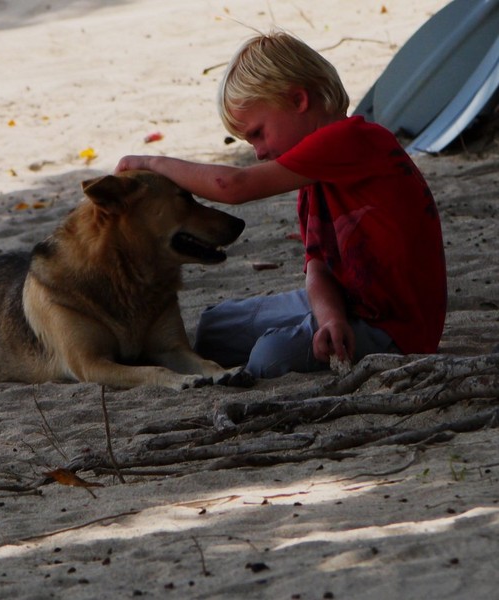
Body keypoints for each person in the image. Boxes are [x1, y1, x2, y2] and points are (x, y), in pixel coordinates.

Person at [115, 30, 447, 378]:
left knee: (269, 356)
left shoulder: (356, 140)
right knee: (213, 328)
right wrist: (330, 319)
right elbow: (319, 268)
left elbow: (233, 185)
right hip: (343, 308)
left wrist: (154, 164)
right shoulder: (310, 184)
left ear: (298, 100)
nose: (258, 152)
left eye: (258, 132)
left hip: (394, 331)